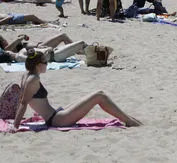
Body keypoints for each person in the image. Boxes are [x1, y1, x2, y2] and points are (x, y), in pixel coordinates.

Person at [12, 48, 141, 131]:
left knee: (96, 94)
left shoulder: (27, 75)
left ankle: (129, 119)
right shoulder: (32, 80)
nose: (47, 64)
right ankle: (129, 121)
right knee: (99, 95)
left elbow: (24, 100)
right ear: (39, 65)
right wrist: (15, 126)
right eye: (45, 63)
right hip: (57, 120)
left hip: (56, 114)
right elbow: (23, 103)